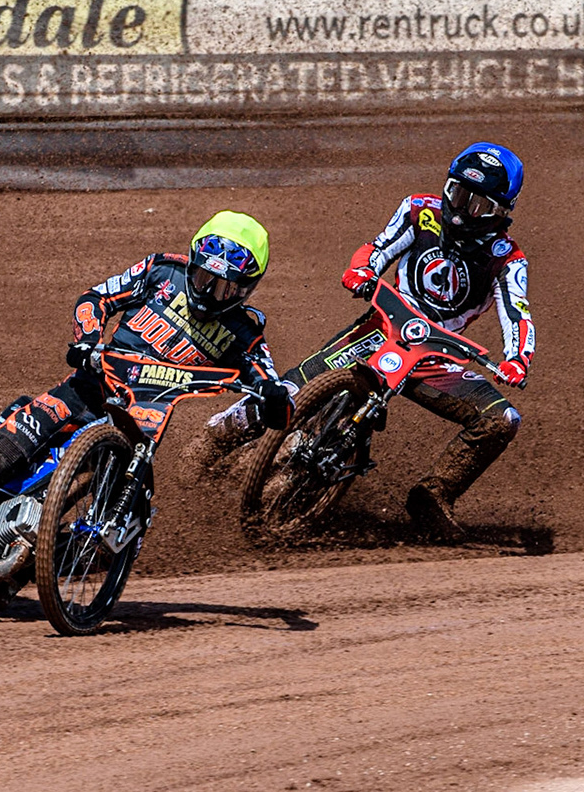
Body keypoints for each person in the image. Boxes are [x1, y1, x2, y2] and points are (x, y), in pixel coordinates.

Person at [0, 211, 294, 575]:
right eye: (205, 276)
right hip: (88, 387)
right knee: (2, 450)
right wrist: (87, 337)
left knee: (122, 532)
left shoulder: (246, 328)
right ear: (192, 261)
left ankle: (22, 556)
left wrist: (273, 399)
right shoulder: (159, 270)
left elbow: (269, 379)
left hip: (141, 424)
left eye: (225, 287)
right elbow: (97, 297)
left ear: (247, 289)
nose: (211, 292)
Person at [192, 142, 535, 540]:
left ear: (500, 212)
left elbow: (517, 312)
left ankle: (433, 495)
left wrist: (517, 359)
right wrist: (362, 270)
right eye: (458, 194)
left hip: (436, 356)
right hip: (380, 328)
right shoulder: (420, 211)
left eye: (477, 204)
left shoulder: (507, 259)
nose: (462, 210)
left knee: (502, 420)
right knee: (288, 389)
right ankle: (214, 438)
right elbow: (378, 247)